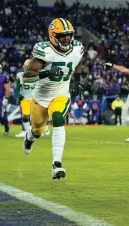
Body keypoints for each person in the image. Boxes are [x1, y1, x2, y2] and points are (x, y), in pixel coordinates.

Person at [22, 18, 84, 180]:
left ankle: (57, 164)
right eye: (62, 36)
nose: (66, 39)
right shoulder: (45, 51)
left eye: (69, 35)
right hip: (41, 98)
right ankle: (29, 138)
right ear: (52, 36)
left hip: (61, 94)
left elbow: (77, 62)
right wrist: (46, 73)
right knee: (37, 131)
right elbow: (27, 77)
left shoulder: (77, 48)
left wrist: (76, 81)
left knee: (58, 118)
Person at [15, 60, 51, 137]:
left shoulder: (38, 75)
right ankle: (28, 132)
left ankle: (44, 128)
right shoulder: (20, 75)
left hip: (36, 98)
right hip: (25, 98)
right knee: (25, 116)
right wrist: (18, 96)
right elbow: (18, 87)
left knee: (39, 116)